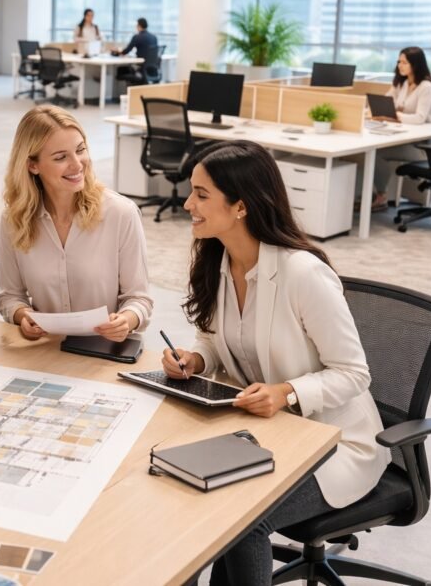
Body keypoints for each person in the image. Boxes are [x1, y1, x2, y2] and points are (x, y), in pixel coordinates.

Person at [162, 140, 389, 586]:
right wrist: (194, 359)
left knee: (243, 520)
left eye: (201, 195)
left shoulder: (303, 274)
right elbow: (212, 339)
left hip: (332, 443)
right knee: (184, 492)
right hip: (263, 434)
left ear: (241, 206)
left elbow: (354, 373)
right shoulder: (219, 261)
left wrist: (287, 393)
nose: (188, 204)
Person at [0, 105, 153, 342]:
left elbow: (139, 299)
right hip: (45, 351)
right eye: (61, 157)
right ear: (33, 165)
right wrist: (23, 316)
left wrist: (127, 320)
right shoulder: (14, 219)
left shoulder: (121, 213)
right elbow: (10, 296)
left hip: (104, 352)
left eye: (80, 150)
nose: (77, 164)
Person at [368, 46, 431, 209]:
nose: (400, 65)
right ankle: (376, 195)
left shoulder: (426, 87)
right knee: (373, 150)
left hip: (421, 146)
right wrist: (373, 111)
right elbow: (386, 101)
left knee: (376, 153)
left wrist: (396, 117)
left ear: (416, 64)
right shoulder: (402, 83)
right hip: (402, 137)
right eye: (399, 61)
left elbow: (420, 118)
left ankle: (381, 196)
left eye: (404, 62)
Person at [114, 17, 160, 85]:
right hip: (153, 70)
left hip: (142, 69)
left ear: (139, 26)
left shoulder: (137, 37)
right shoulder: (154, 37)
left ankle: (130, 92)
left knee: (122, 70)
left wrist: (118, 51)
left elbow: (126, 51)